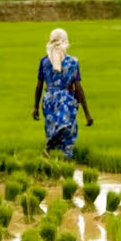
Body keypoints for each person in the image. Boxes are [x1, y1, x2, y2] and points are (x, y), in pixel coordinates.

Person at [32, 29, 93, 159]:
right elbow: (79, 88)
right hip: (67, 101)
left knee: (52, 131)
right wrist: (87, 113)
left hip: (49, 101)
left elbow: (39, 86)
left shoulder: (44, 62)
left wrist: (36, 106)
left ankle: (51, 155)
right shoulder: (73, 62)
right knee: (68, 135)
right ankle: (66, 164)